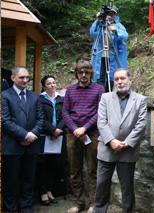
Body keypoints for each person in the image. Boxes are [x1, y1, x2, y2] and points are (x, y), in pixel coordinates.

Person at [93, 68, 147, 213]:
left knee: (127, 187)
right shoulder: (105, 98)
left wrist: (127, 142)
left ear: (130, 80)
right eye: (116, 79)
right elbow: (101, 122)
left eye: (122, 78)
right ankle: (99, 210)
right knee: (102, 185)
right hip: (107, 148)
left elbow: (141, 124)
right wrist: (111, 141)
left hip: (128, 149)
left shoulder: (140, 100)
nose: (119, 82)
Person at [62, 60, 105, 213]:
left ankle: (93, 204)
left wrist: (85, 128)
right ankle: (78, 203)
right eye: (81, 72)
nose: (84, 75)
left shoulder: (99, 89)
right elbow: (65, 112)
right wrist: (75, 129)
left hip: (92, 135)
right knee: (75, 170)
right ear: (76, 73)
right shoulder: (70, 90)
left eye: (87, 72)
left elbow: (100, 112)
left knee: (94, 170)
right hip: (73, 135)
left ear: (91, 73)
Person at [1, 66, 44, 212]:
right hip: (13, 146)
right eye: (21, 78)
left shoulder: (34, 96)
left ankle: (26, 208)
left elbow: (40, 119)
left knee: (28, 181)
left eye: (27, 77)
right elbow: (4, 121)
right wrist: (24, 135)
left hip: (31, 147)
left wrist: (32, 135)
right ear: (13, 78)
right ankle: (10, 209)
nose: (25, 80)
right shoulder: (4, 96)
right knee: (10, 182)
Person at [36, 75, 66, 206]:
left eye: (54, 82)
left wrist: (58, 130)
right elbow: (39, 117)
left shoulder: (61, 99)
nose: (52, 85)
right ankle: (42, 192)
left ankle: (49, 190)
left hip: (58, 136)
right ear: (44, 86)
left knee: (53, 164)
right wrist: (51, 130)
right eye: (49, 83)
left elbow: (66, 115)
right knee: (42, 165)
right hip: (44, 136)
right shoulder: (39, 100)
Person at [90, 5, 129, 92]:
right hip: (101, 54)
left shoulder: (118, 25)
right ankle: (101, 94)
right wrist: (97, 20)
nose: (110, 15)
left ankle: (109, 93)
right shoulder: (100, 24)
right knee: (101, 75)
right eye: (109, 13)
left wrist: (114, 29)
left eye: (112, 13)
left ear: (115, 14)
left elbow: (124, 35)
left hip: (113, 54)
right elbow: (93, 31)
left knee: (111, 75)